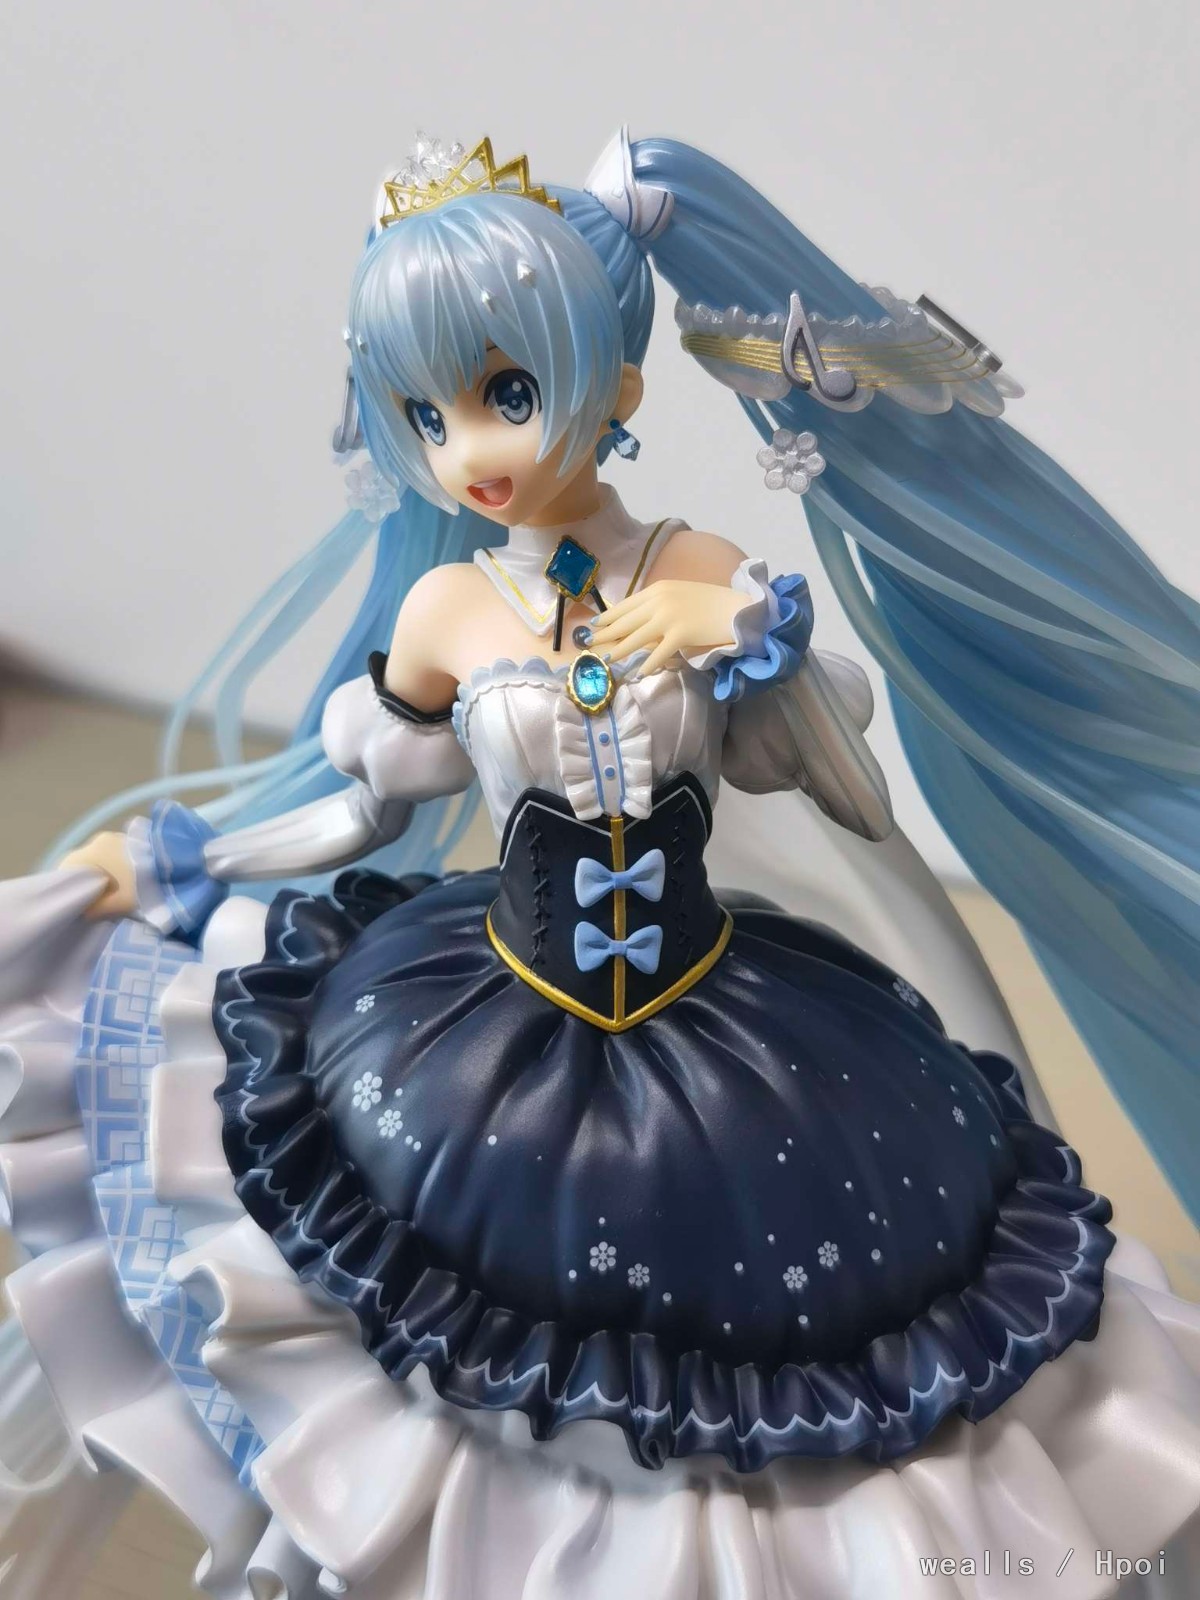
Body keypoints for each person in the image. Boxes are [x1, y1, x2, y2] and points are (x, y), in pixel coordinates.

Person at [1, 130, 1197, 1598]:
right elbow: (362, 814)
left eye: (507, 395)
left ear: (616, 390)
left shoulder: (703, 571)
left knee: (806, 1353)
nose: (472, 451)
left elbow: (851, 797)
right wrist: (195, 861)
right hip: (477, 1037)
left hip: (734, 1038)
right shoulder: (447, 611)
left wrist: (749, 643)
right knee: (449, 1362)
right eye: (428, 414)